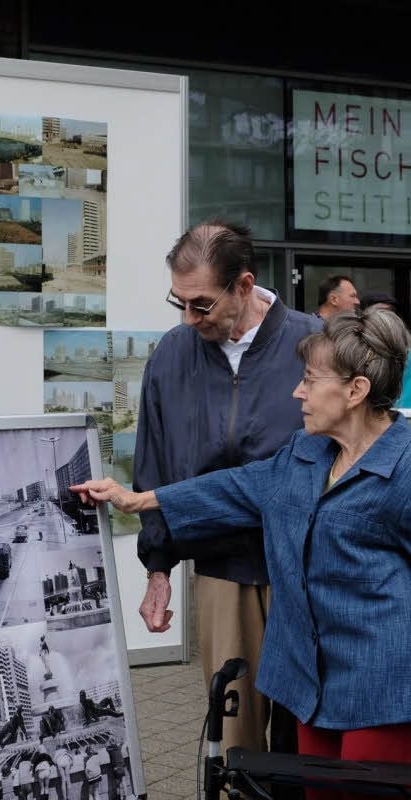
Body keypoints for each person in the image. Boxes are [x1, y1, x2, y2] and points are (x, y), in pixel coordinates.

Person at [73, 308, 411, 800]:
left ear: (356, 390)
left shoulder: (405, 467)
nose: (298, 392)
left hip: (381, 685)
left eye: (310, 380)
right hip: (310, 683)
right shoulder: (305, 452)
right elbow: (235, 486)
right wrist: (136, 499)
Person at [134, 218, 321, 755]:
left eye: (202, 305)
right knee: (234, 738)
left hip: (306, 568)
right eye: (180, 303)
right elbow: (154, 464)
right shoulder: (171, 354)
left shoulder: (315, 343)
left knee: (304, 735)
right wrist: (157, 568)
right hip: (222, 569)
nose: (189, 319)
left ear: (244, 285)